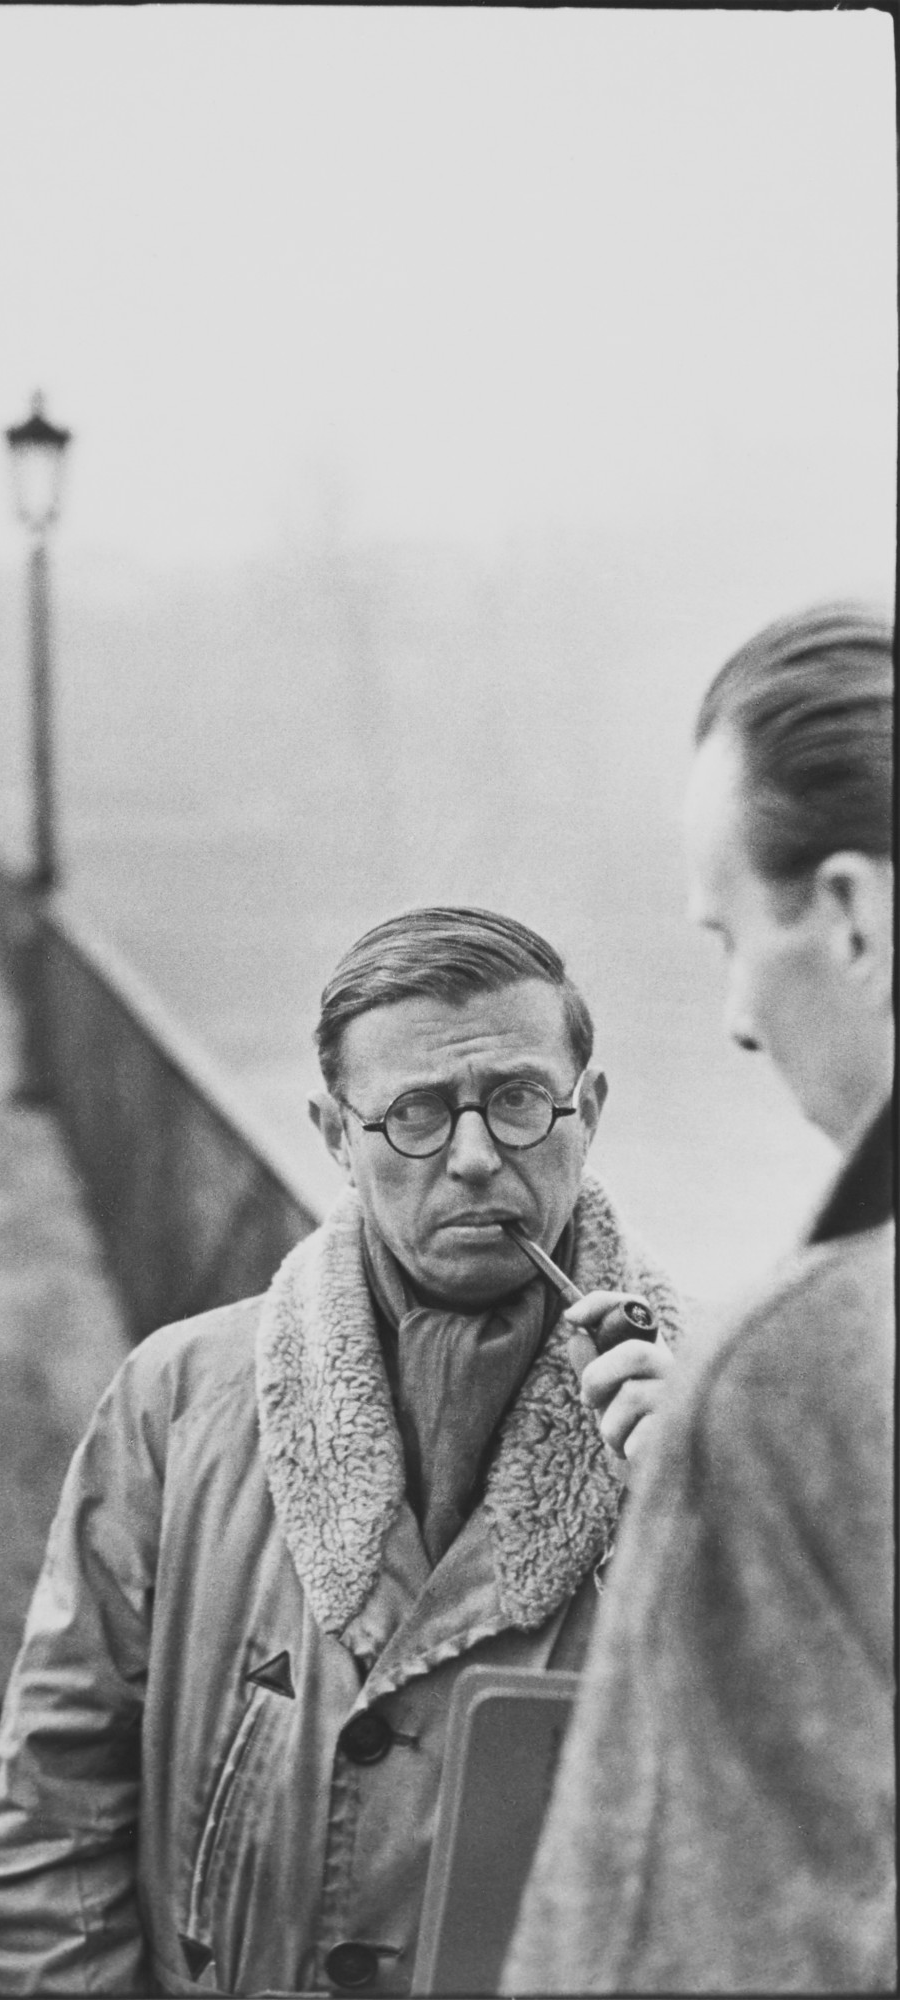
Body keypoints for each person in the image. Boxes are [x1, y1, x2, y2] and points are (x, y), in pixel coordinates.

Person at [0, 906, 686, 1995]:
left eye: (520, 1099)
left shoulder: (721, 1422)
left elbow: (812, 1844)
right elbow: (51, 1822)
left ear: (591, 1109)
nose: (476, 1156)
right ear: (335, 1135)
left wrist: (712, 1522)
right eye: (415, 1115)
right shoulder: (177, 1399)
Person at [504, 602, 895, 1994]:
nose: (732, 1014)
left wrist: (741, 1465)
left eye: (729, 933)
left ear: (848, 912)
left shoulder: (800, 1364)